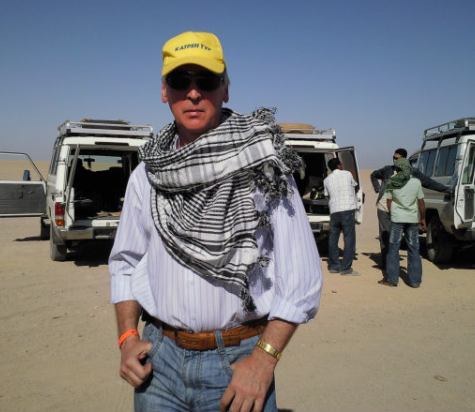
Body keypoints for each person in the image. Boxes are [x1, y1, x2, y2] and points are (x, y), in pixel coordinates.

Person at [108, 31, 323, 412]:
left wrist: (264, 360)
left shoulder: (264, 164)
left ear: (225, 89)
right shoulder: (146, 175)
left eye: (206, 81)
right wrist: (127, 337)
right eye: (180, 80)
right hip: (159, 363)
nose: (193, 93)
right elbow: (126, 262)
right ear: (164, 91)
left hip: (238, 364)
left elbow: (301, 277)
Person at [370, 148, 449, 269]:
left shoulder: (413, 173)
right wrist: (377, 188)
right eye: (394, 158)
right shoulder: (387, 170)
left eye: (398, 158)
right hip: (384, 208)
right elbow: (374, 175)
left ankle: (395, 265)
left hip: (400, 211)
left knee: (398, 238)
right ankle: (388, 265)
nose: (394, 160)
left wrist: (447, 190)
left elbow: (429, 183)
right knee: (385, 236)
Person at [378, 157, 426, 287]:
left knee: (393, 248)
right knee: (414, 249)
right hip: (412, 219)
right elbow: (421, 202)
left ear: (397, 168)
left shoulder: (392, 181)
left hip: (397, 219)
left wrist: (392, 214)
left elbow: (389, 201)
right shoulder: (416, 182)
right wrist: (422, 218)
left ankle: (392, 279)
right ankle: (415, 281)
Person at [323, 158, 359, 275]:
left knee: (333, 239)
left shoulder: (327, 180)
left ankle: (334, 266)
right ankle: (346, 268)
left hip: (334, 211)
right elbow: (354, 186)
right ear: (339, 165)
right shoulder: (347, 174)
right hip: (347, 209)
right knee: (349, 239)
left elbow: (327, 195)